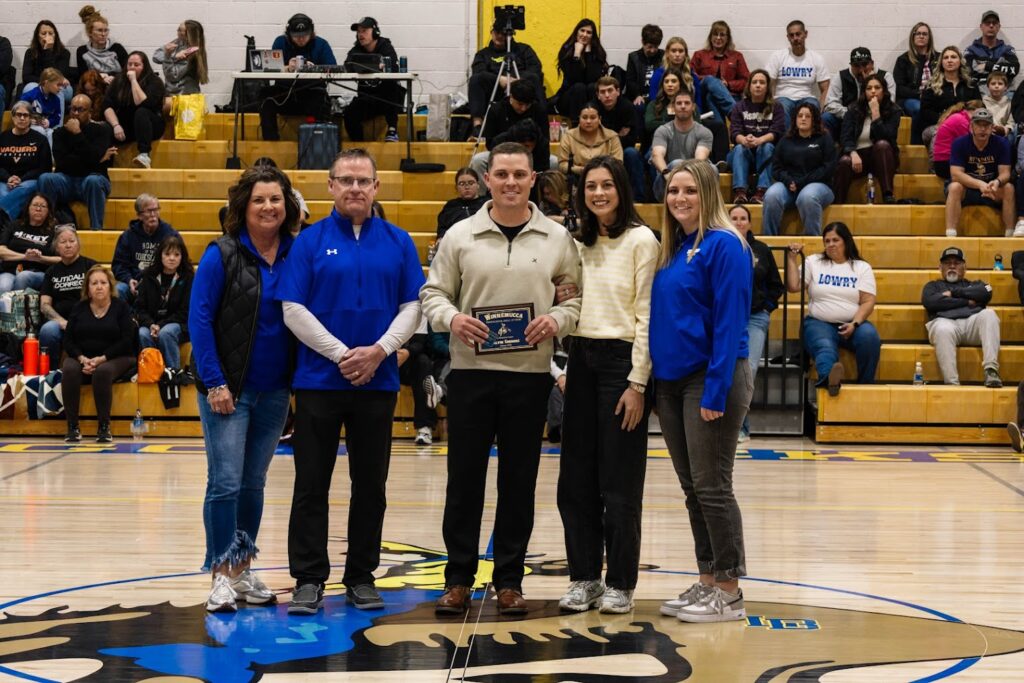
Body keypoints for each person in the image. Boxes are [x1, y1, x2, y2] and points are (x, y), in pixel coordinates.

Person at [420, 142, 581, 616]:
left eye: (520, 174)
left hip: (529, 380)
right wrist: (452, 320)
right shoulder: (459, 235)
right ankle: (457, 580)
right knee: (463, 482)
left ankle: (509, 580)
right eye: (502, 174)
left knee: (519, 483)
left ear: (534, 179)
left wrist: (555, 321)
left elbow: (573, 300)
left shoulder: (557, 238)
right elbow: (432, 294)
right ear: (487, 178)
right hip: (470, 377)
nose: (511, 182)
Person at [278, 148, 424, 615]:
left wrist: (379, 351)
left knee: (370, 485)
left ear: (377, 187)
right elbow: (292, 309)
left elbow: (414, 308)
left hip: (376, 384)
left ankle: (361, 576)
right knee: (310, 484)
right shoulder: (308, 242)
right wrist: (343, 355)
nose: (355, 188)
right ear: (331, 186)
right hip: (319, 382)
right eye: (346, 180)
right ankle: (308, 578)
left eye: (364, 181)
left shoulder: (399, 242)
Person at [190, 165, 298, 612]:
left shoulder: (298, 251)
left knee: (254, 484)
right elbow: (199, 320)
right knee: (226, 482)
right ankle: (220, 575)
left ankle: (243, 569)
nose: (269, 207)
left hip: (275, 391)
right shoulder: (222, 253)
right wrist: (215, 381)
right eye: (259, 200)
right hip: (228, 391)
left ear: (287, 205)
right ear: (243, 207)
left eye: (276, 199)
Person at [650, 159, 753, 623]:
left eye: (689, 190)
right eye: (673, 190)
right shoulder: (674, 248)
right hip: (671, 383)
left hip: (712, 378)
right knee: (694, 488)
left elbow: (730, 323)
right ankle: (708, 578)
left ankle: (729, 589)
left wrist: (715, 390)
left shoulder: (725, 245)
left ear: (708, 192)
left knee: (713, 487)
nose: (680, 199)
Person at [556, 156, 658, 615]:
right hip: (579, 360)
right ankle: (584, 579)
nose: (598, 193)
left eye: (606, 185)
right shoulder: (575, 242)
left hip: (622, 366)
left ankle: (620, 582)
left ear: (621, 188)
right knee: (575, 481)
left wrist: (638, 383)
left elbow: (646, 316)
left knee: (619, 484)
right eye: (590, 186)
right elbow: (564, 305)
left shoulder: (642, 240)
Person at [785, 222, 880, 396]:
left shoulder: (861, 267)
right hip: (819, 322)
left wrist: (855, 324)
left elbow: (867, 301)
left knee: (870, 338)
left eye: (835, 240)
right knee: (825, 346)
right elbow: (793, 286)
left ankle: (866, 386)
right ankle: (829, 382)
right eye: (827, 241)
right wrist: (791, 259)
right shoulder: (814, 262)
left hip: (852, 322)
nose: (830, 244)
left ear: (846, 241)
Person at [62, 264, 137, 444]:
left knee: (102, 372)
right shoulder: (79, 308)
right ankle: (72, 426)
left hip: (116, 357)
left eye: (103, 282)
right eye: (94, 283)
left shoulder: (120, 307)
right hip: (84, 357)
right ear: (87, 288)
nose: (99, 286)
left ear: (110, 286)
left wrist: (102, 359)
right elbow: (68, 340)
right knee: (69, 368)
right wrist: (81, 358)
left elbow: (127, 340)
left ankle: (104, 426)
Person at [729, 205, 784, 442]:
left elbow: (776, 285)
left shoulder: (761, 249)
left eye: (743, 218)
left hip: (754, 317)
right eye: (734, 218)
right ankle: (728, 424)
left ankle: (740, 427)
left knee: (747, 371)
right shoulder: (720, 246)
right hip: (727, 318)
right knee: (725, 368)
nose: (739, 222)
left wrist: (766, 306)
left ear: (750, 223)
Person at [922, 246, 1001, 387]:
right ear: (940, 267)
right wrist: (967, 300)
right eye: (947, 263)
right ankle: (952, 383)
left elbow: (987, 292)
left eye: (957, 263)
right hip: (944, 322)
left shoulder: (975, 284)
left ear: (965, 267)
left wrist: (953, 293)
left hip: (972, 324)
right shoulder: (932, 286)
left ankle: (991, 370)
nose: (952, 266)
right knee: (942, 328)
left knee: (989, 314)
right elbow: (931, 302)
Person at [37, 94, 115, 231]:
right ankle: (45, 227)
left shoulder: (102, 130)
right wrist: (94, 160)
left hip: (92, 180)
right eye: (73, 109)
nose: (75, 113)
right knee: (46, 178)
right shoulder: (59, 133)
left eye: (80, 110)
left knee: (93, 181)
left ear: (90, 112)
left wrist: (78, 133)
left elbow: (92, 158)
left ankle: (97, 229)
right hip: (67, 180)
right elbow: (62, 162)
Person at [259, 14, 337, 142]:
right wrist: (287, 68)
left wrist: (315, 69)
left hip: (312, 93)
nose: (301, 39)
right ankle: (271, 142)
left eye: (305, 35)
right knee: (265, 96)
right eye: (296, 36)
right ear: (289, 34)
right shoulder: (280, 42)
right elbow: (270, 68)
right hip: (285, 93)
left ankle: (315, 146)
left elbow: (333, 68)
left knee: (321, 102)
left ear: (312, 33)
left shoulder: (321, 44)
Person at [762, 103, 836, 236]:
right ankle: (770, 241)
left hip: (820, 185)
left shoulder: (824, 138)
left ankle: (812, 242)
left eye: (808, 116)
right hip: (790, 186)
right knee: (771, 195)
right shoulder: (785, 140)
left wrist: (802, 182)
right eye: (800, 115)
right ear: (794, 119)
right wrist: (788, 180)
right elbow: (776, 168)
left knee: (807, 197)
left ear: (814, 120)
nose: (803, 119)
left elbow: (828, 168)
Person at [946, 109, 1018, 238]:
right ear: (971, 127)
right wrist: (979, 184)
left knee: (1009, 188)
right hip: (967, 189)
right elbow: (956, 174)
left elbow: (1005, 173)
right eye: (979, 125)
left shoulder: (1002, 143)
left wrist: (997, 182)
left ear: (992, 128)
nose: (982, 129)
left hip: (992, 189)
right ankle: (950, 234)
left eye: (986, 125)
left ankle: (1010, 234)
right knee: (954, 187)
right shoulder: (959, 143)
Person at [468, 20, 543, 138]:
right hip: (495, 91)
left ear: (510, 35)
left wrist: (515, 81)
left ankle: (539, 126)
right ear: (492, 32)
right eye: (497, 32)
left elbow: (535, 69)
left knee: (533, 78)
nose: (499, 36)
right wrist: (500, 79)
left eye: (503, 33)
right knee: (476, 79)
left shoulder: (524, 50)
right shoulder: (483, 54)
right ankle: (478, 125)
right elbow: (479, 71)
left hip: (520, 90)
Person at [835, 74, 902, 204]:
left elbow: (888, 137)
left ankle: (888, 195)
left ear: (884, 90)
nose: (873, 91)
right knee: (844, 161)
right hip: (858, 158)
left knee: (882, 145)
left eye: (877, 87)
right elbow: (845, 136)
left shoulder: (894, 110)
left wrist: (876, 114)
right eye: (869, 88)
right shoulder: (853, 109)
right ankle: (838, 202)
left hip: (882, 159)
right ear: (863, 91)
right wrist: (852, 152)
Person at [469, 79, 551, 183]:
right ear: (511, 97)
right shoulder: (496, 110)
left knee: (553, 162)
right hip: (502, 152)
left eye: (528, 104)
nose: (523, 108)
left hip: (533, 152)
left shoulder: (539, 110)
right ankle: (483, 197)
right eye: (520, 104)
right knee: (478, 160)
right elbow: (490, 144)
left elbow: (544, 139)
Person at [135, 235, 192, 372]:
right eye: (167, 254)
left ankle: (173, 373)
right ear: (160, 255)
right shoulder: (148, 275)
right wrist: (151, 324)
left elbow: (185, 312)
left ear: (181, 257)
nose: (172, 258)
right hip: (152, 323)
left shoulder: (188, 277)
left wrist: (160, 325)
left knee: (166, 333)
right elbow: (140, 308)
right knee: (142, 333)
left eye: (176, 254)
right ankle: (152, 372)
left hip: (179, 324)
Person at [727, 69, 785, 204]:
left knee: (768, 146)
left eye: (762, 82)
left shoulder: (776, 107)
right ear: (749, 86)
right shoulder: (738, 106)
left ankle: (761, 191)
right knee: (739, 148)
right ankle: (740, 192)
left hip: (765, 153)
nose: (758, 85)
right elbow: (734, 132)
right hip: (743, 154)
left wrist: (760, 140)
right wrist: (744, 140)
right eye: (755, 82)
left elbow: (777, 132)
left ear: (767, 87)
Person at [38, 225, 96, 359]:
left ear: (78, 244)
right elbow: (45, 305)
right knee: (47, 330)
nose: (68, 245)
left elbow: (103, 297)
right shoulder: (51, 272)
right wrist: (61, 321)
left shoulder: (91, 266)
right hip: (61, 321)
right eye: (63, 242)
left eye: (72, 241)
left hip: (87, 318)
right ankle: (52, 373)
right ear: (56, 248)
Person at [343, 17, 404, 143]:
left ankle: (392, 130)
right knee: (349, 113)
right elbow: (347, 65)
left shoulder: (385, 46)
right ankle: (358, 145)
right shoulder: (356, 49)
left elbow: (393, 67)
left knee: (392, 87)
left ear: (375, 32)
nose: (360, 35)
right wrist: (374, 66)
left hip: (386, 99)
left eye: (364, 31)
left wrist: (375, 66)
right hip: (367, 99)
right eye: (359, 32)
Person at [102, 52, 166, 169]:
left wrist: (133, 81)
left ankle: (144, 154)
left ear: (144, 66)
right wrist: (116, 125)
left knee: (141, 112)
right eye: (130, 64)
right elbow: (107, 105)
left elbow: (142, 103)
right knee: (105, 127)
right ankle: (104, 164)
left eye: (136, 65)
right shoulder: (119, 80)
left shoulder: (154, 81)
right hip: (128, 126)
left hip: (150, 125)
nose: (132, 67)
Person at [112, 194, 180, 300]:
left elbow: (181, 261)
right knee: (119, 290)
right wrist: (129, 280)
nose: (153, 214)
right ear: (139, 215)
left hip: (162, 283)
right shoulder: (128, 236)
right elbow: (119, 265)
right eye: (148, 211)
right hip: (135, 282)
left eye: (156, 210)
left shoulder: (170, 234)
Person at [822, 47, 898, 142]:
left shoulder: (885, 76)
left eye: (865, 64)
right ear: (851, 65)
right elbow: (830, 104)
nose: (861, 69)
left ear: (872, 63)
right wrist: (852, 114)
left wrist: (870, 81)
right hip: (847, 118)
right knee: (826, 117)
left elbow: (890, 103)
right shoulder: (840, 76)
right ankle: (829, 150)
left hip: (876, 117)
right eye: (856, 65)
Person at [650, 90, 713, 201]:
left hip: (694, 180)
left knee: (713, 169)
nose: (683, 106)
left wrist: (687, 177)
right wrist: (667, 173)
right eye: (679, 103)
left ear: (693, 107)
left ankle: (706, 205)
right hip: (667, 182)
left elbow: (700, 159)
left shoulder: (704, 132)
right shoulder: (662, 131)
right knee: (676, 163)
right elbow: (657, 155)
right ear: (673, 108)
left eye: (687, 103)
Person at [764, 20, 830, 127]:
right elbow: (768, 82)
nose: (795, 38)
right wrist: (770, 103)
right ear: (788, 37)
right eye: (792, 35)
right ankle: (787, 142)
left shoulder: (816, 58)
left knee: (812, 106)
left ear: (805, 34)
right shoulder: (778, 56)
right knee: (781, 108)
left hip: (806, 97)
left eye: (798, 34)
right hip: (783, 97)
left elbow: (825, 88)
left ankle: (809, 142)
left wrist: (821, 107)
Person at [594, 76, 647, 201]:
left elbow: (631, 139)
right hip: (597, 150)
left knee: (632, 153)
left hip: (623, 149)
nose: (607, 95)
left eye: (610, 90)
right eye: (602, 92)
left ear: (617, 91)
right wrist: (617, 135)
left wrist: (606, 135)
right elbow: (591, 137)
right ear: (597, 95)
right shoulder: (593, 109)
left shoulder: (627, 107)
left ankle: (638, 200)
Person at [0, 100, 52, 223]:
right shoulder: (2, 138)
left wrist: (21, 179)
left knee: (24, 189)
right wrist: (8, 178)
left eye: (26, 115)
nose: (22, 118)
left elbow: (45, 168)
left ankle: (3, 221)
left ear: (30, 118)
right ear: (13, 117)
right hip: (5, 181)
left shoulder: (40, 140)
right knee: (2, 192)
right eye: (19, 114)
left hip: (29, 181)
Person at [920, 46, 980, 150]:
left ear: (960, 61)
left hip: (965, 125)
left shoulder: (971, 85)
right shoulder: (931, 86)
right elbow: (925, 112)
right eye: (946, 58)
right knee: (939, 133)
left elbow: (978, 107)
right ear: (941, 63)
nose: (949, 60)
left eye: (953, 57)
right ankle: (937, 166)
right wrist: (947, 121)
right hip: (936, 126)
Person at [0, 192, 60, 294]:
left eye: (43, 206)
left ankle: (17, 309)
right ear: (28, 208)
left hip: (38, 273)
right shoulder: (14, 225)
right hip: (10, 271)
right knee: (3, 286)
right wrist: (25, 257)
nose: (38, 209)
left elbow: (61, 259)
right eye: (35, 205)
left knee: (23, 277)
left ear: (48, 211)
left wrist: (40, 258)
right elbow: (1, 251)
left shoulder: (54, 232)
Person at [691, 20, 750, 122]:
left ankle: (721, 133)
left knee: (712, 97)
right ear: (710, 37)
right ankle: (736, 114)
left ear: (727, 38)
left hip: (731, 95)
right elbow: (690, 76)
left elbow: (746, 81)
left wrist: (728, 84)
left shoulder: (736, 56)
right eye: (715, 34)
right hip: (703, 93)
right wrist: (714, 82)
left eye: (722, 35)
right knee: (710, 79)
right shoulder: (699, 55)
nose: (718, 38)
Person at [893, 22, 939, 144]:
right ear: (912, 37)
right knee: (920, 108)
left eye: (925, 34)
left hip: (935, 97)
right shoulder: (903, 60)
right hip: (911, 99)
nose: (921, 36)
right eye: (918, 33)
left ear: (929, 38)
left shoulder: (939, 58)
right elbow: (899, 88)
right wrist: (919, 94)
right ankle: (916, 143)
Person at [554, 19, 607, 124]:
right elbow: (573, 78)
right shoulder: (566, 49)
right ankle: (576, 126)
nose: (584, 34)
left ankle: (594, 124)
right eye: (582, 30)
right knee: (579, 87)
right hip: (569, 97)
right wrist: (577, 54)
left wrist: (587, 53)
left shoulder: (598, 52)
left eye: (589, 32)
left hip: (589, 95)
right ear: (576, 31)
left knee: (592, 86)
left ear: (593, 36)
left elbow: (592, 78)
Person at [152, 19, 208, 112]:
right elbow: (156, 56)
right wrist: (174, 57)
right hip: (172, 94)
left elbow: (173, 75)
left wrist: (169, 56)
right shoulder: (177, 42)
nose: (177, 31)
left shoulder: (193, 52)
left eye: (180, 30)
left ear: (187, 34)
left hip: (185, 96)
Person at [558, 102, 623, 175]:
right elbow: (562, 165)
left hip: (605, 177)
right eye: (584, 117)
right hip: (576, 178)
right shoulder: (568, 136)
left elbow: (618, 165)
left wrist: (596, 171)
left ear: (599, 119)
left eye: (593, 117)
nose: (588, 121)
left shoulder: (612, 137)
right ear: (579, 118)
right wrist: (581, 170)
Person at [964, 10, 1019, 95]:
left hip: (1005, 95)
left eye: (994, 23)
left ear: (999, 27)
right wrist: (1000, 67)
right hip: (979, 95)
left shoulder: (1007, 50)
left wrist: (987, 66)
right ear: (981, 26)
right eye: (987, 23)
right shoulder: (971, 50)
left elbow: (1014, 69)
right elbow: (968, 73)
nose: (991, 25)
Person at [20, 21, 73, 107]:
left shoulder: (64, 53)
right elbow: (26, 76)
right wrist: (46, 84)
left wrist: (47, 51)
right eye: (44, 33)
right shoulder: (30, 52)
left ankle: (56, 120)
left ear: (55, 35)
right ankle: (35, 119)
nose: (47, 37)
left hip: (59, 85)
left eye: (50, 33)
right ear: (37, 36)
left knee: (58, 89)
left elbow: (57, 75)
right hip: (37, 84)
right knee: (29, 88)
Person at [75, 5, 128, 85]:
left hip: (116, 84)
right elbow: (83, 76)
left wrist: (113, 77)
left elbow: (128, 70)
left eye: (106, 30)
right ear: (90, 33)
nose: (103, 34)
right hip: (95, 86)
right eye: (99, 31)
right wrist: (100, 78)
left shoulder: (117, 48)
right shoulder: (82, 51)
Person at [932, 100, 983, 181]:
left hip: (945, 161)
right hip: (945, 163)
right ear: (976, 111)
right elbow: (973, 144)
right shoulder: (960, 120)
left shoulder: (960, 117)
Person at [436, 167, 486, 239]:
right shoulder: (450, 206)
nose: (467, 187)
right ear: (456, 187)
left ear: (478, 185)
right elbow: (442, 231)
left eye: (471, 183)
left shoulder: (487, 203)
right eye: (462, 184)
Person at [625, 24, 663, 108]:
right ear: (643, 42)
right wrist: (637, 95)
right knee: (639, 106)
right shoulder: (633, 57)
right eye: (649, 47)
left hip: (658, 96)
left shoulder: (663, 56)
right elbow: (630, 81)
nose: (653, 50)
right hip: (639, 95)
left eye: (655, 47)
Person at [21, 68, 66, 134]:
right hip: (31, 126)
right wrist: (29, 120)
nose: (60, 88)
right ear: (46, 83)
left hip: (47, 127)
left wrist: (49, 122)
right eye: (58, 85)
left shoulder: (56, 99)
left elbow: (57, 117)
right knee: (40, 130)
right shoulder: (30, 96)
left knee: (51, 133)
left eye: (61, 85)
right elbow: (19, 111)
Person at [982, 72, 1015, 139]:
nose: (996, 86)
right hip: (986, 132)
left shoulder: (1009, 103)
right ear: (988, 86)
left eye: (1000, 84)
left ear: (1005, 87)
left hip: (1003, 133)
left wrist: (1006, 129)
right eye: (993, 83)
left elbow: (1011, 122)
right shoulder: (983, 102)